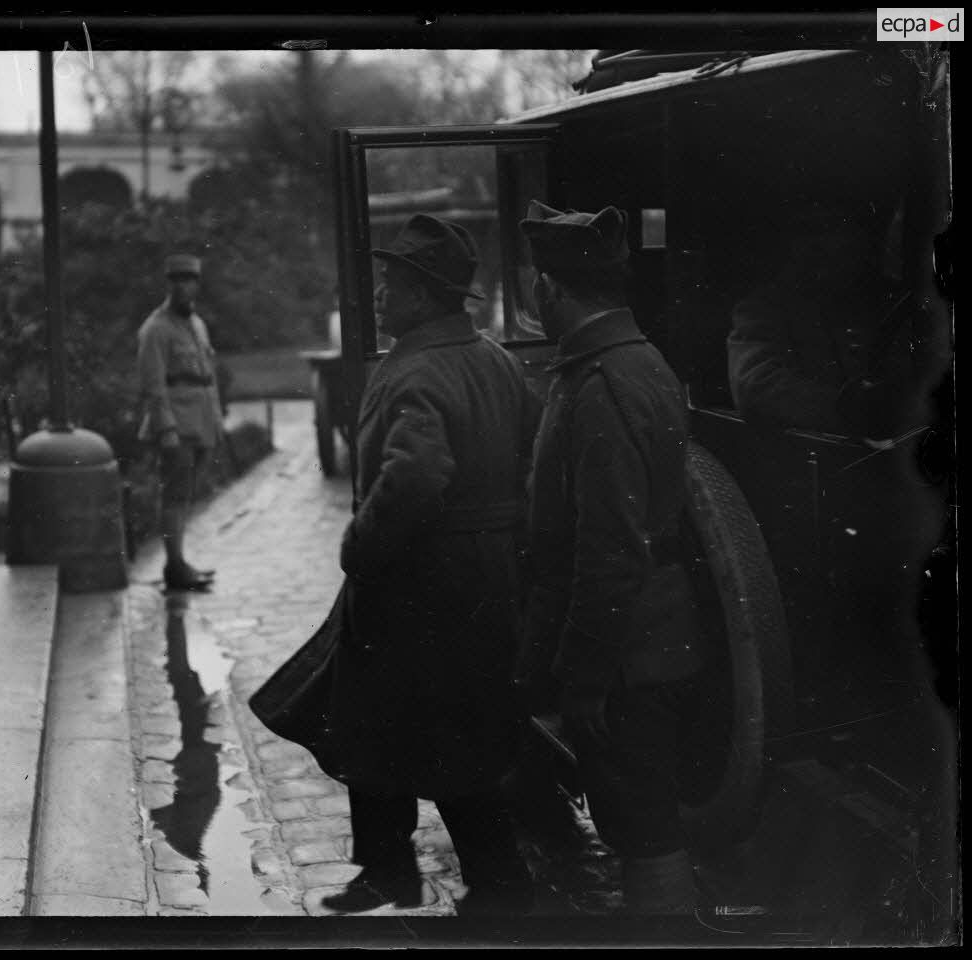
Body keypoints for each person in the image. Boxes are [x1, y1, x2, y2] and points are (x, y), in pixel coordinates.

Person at [252, 215, 539, 916]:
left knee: (425, 725)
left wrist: (361, 545)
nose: (378, 298)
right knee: (395, 715)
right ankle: (392, 868)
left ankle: (494, 884)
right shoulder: (495, 359)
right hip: (484, 574)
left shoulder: (415, 369)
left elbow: (415, 476)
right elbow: (533, 452)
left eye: (391, 285)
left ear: (424, 294)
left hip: (419, 579)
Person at [514, 202, 702, 914]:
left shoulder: (600, 385)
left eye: (536, 284)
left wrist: (587, 678)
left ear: (551, 289)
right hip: (648, 638)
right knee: (641, 817)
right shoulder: (635, 361)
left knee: (641, 828)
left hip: (628, 654)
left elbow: (611, 554)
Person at [727, 198, 946, 440]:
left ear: (859, 238)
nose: (815, 244)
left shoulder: (897, 302)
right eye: (804, 231)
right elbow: (755, 387)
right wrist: (848, 408)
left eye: (831, 228)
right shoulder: (765, 308)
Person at [136, 254, 224, 592]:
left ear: (197, 284)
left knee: (185, 496)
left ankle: (179, 561)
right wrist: (166, 429)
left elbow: (208, 376)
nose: (184, 287)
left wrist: (216, 419)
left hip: (200, 421)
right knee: (174, 496)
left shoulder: (197, 324)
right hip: (177, 425)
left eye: (190, 280)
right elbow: (153, 385)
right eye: (178, 281)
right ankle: (175, 567)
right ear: (169, 284)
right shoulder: (156, 329)